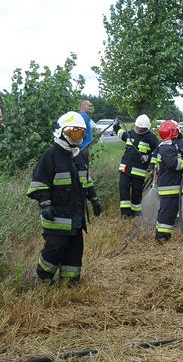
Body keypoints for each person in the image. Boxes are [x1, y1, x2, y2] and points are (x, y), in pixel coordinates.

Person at [26, 112, 102, 284]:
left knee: (75, 250)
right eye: (73, 133)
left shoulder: (80, 156)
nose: (76, 138)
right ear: (61, 132)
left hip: (76, 217)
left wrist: (94, 199)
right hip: (56, 216)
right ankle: (42, 277)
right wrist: (45, 204)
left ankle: (70, 281)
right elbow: (39, 183)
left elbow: (86, 180)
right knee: (55, 248)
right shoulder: (51, 155)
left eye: (80, 133)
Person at [150, 119, 183, 242]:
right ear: (173, 132)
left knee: (172, 210)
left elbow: (178, 165)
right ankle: (162, 236)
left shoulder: (170, 146)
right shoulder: (167, 148)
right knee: (167, 212)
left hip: (172, 186)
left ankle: (167, 232)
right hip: (168, 186)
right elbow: (175, 164)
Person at [114, 114, 159, 218]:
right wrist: (116, 126)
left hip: (139, 172)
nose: (138, 129)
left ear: (146, 128)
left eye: (141, 128)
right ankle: (125, 214)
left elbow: (158, 150)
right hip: (125, 169)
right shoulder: (131, 134)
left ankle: (136, 214)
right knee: (123, 190)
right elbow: (121, 134)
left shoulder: (151, 138)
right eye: (137, 127)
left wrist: (148, 157)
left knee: (136, 193)